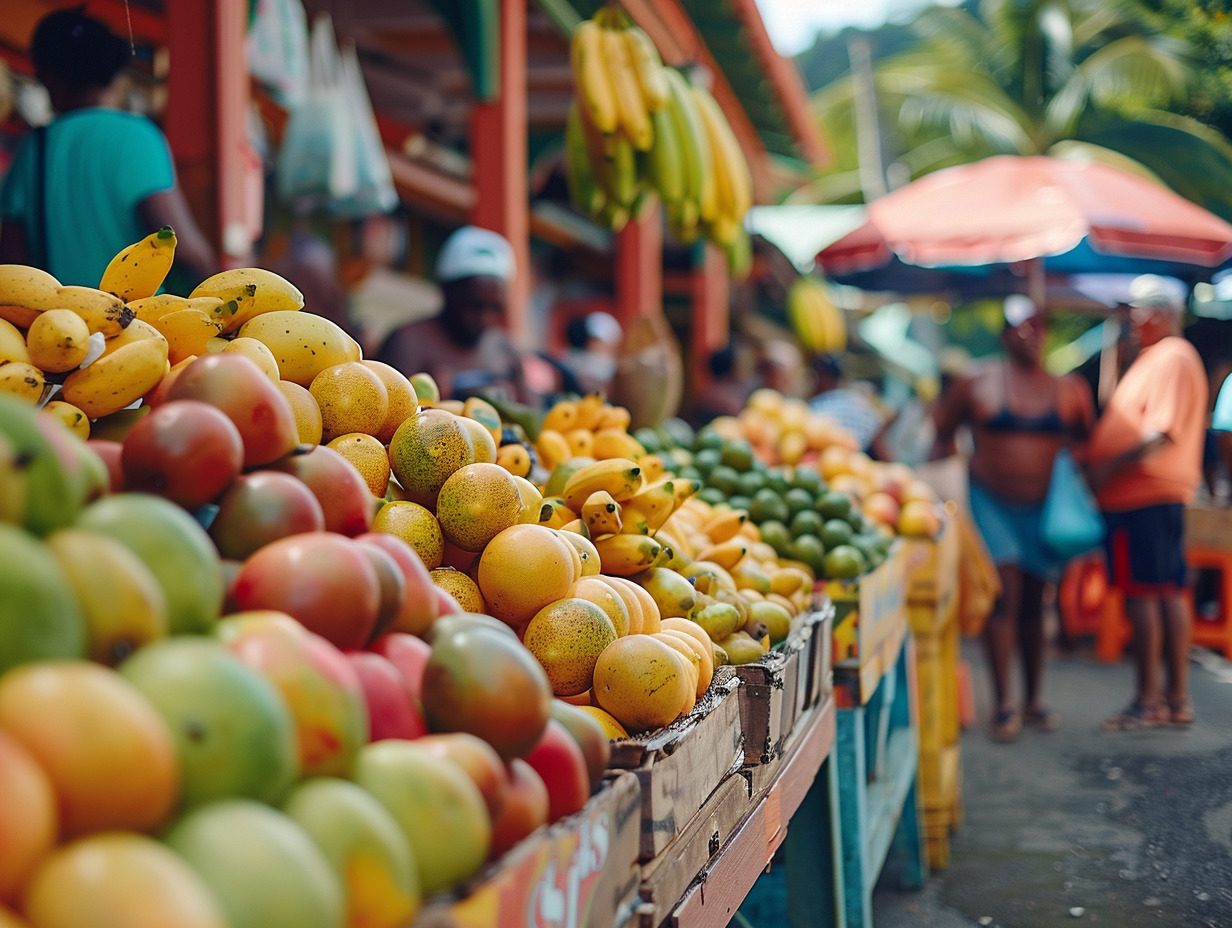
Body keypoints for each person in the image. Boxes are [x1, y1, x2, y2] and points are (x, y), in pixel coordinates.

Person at [931, 295, 1095, 741]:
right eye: (1022, 328)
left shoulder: (1069, 390)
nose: (1032, 336)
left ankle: (1034, 699)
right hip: (989, 502)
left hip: (1043, 510)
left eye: (1038, 327)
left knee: (1033, 600)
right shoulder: (976, 382)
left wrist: (1069, 476)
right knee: (1001, 593)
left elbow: (1088, 444)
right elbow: (940, 434)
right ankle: (1004, 704)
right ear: (1005, 335)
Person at [0, 7, 216, 289]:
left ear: (50, 78)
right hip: (140, 324)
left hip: (59, 323)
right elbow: (181, 247)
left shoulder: (33, 148)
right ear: (115, 75)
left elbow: (14, 265)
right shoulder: (137, 136)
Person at [1087, 275, 1208, 731]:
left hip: (1146, 496)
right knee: (1162, 591)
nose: (1131, 321)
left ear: (1157, 313)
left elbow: (1161, 433)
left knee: (1148, 594)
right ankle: (1170, 700)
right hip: (1143, 498)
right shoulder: (1154, 358)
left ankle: (1152, 701)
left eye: (1135, 313)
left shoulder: (1173, 357)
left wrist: (1107, 469)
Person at [376, 225, 527, 403]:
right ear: (447, 292)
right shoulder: (408, 343)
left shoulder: (504, 349)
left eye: (495, 308)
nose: (485, 318)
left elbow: (534, 416)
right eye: (475, 306)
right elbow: (386, 416)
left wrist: (511, 400)